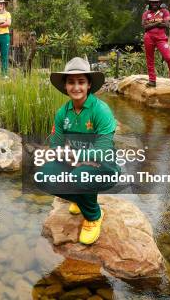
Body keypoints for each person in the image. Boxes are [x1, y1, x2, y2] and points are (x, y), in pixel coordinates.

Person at [45, 57, 119, 245]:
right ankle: (81, 198)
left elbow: (102, 152)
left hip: (105, 167)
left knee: (81, 176)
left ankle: (94, 216)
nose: (76, 87)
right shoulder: (63, 112)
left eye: (81, 82)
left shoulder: (100, 110)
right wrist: (68, 158)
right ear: (65, 86)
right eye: (71, 82)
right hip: (75, 163)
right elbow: (56, 144)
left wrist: (77, 157)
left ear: (88, 85)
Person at [141, 0, 170, 87]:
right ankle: (152, 80)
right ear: (149, 3)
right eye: (152, 2)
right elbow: (145, 27)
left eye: (156, 2)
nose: (154, 4)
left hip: (161, 38)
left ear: (160, 2)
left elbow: (167, 25)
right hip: (148, 37)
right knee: (150, 59)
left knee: (169, 58)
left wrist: (152, 23)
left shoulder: (164, 12)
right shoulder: (146, 13)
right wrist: (158, 22)